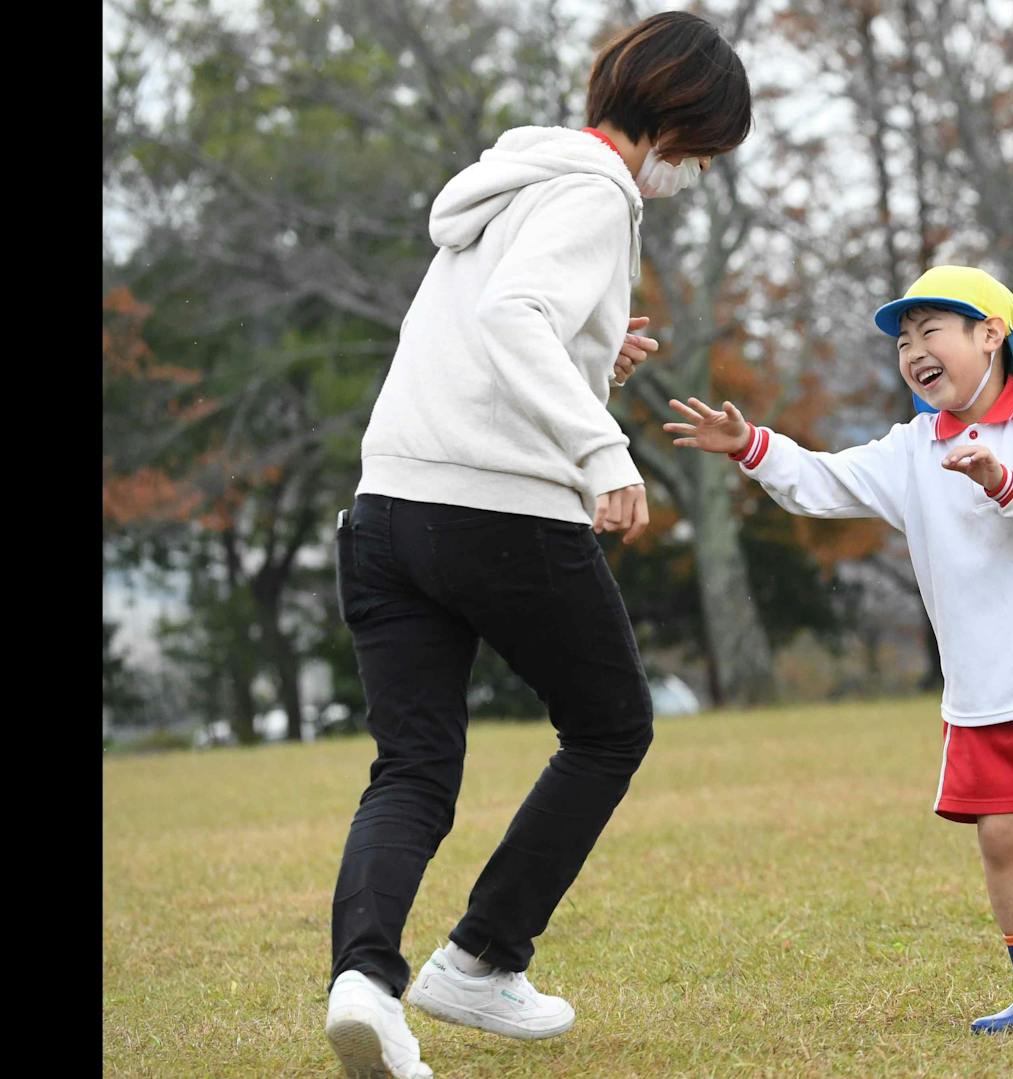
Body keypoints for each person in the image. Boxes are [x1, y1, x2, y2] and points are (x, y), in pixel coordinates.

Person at [321, 13, 752, 1077]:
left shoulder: (509, 183)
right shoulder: (598, 191)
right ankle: (479, 958)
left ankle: (366, 986)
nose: (692, 175)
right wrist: (603, 451)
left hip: (386, 513)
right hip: (496, 514)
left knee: (412, 767)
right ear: (680, 123)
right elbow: (515, 317)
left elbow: (495, 328)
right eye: (702, 154)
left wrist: (595, 349)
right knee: (610, 726)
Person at [664, 265, 1013, 1033]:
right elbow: (820, 482)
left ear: (991, 336)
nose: (915, 349)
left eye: (932, 330)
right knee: (1002, 838)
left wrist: (1003, 479)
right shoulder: (912, 448)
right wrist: (750, 444)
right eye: (904, 339)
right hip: (979, 690)